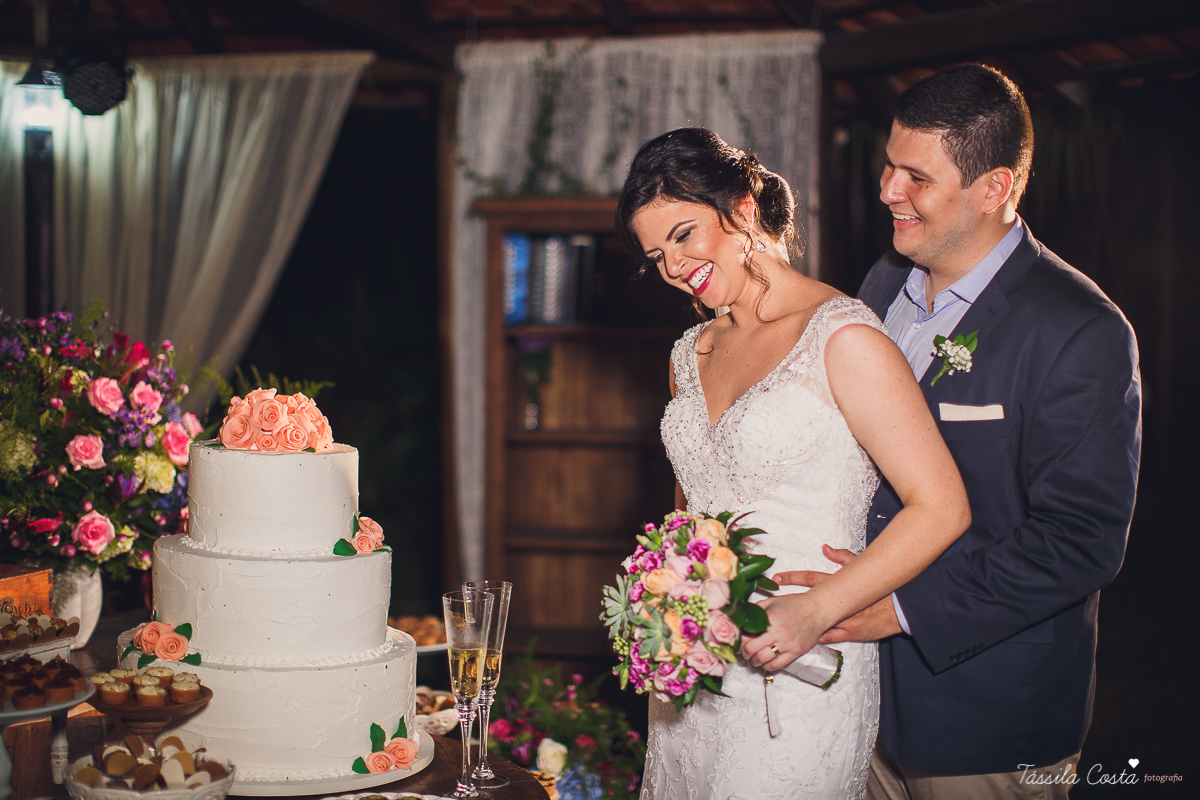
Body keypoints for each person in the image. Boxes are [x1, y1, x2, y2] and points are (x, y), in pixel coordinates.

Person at [779, 65, 1141, 799]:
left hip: (987, 717)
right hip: (855, 695)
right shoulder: (881, 283)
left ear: (995, 187)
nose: (888, 191)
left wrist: (902, 609)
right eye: (889, 166)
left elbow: (1080, 540)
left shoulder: (1080, 331)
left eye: (917, 177)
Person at [616, 127, 971, 800]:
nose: (674, 265)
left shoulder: (844, 337)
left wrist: (816, 612)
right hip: (697, 672)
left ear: (744, 208)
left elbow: (943, 506)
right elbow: (690, 513)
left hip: (804, 668)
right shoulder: (687, 354)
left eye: (686, 234)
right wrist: (663, 610)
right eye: (657, 254)